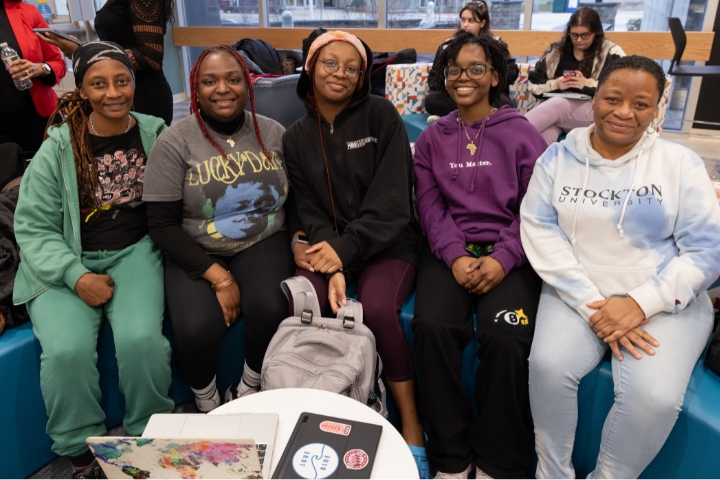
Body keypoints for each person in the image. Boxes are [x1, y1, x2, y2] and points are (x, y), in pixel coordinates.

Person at [520, 55, 720, 479]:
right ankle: (551, 473)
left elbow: (706, 250)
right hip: (578, 291)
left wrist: (641, 303)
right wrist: (594, 305)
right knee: (549, 367)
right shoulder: (556, 159)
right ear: (594, 98)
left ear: (657, 108)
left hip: (664, 298)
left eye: (641, 104)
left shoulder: (680, 164)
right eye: (612, 98)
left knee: (654, 397)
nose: (624, 112)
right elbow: (540, 229)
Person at [13, 41, 174, 479]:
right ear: (81, 90)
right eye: (98, 84)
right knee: (66, 351)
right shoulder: (57, 148)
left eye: (122, 81)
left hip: (135, 250)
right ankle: (79, 449)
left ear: (134, 85)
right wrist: (76, 274)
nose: (113, 92)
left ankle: (148, 431)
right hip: (66, 258)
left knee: (142, 341)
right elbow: (33, 228)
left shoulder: (153, 132)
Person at [282, 31, 429, 478]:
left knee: (380, 309)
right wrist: (335, 260)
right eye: (330, 63)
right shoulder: (295, 137)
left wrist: (342, 255)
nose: (340, 73)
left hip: (389, 241)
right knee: (304, 298)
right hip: (334, 248)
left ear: (363, 74)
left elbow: (391, 205)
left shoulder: (381, 116)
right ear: (311, 66)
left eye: (351, 66)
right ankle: (322, 412)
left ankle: (411, 425)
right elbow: (309, 208)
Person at [412, 32, 548, 480]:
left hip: (511, 252)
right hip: (448, 252)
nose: (464, 77)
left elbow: (537, 207)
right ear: (445, 78)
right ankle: (450, 457)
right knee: (432, 326)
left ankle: (497, 459)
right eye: (455, 70)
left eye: (476, 68)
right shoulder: (433, 138)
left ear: (494, 76)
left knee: (507, 338)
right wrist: (453, 256)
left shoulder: (523, 133)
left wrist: (504, 258)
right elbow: (430, 208)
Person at [143, 44, 294, 413]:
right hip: (196, 246)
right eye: (210, 81)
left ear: (248, 84)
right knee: (195, 329)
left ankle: (250, 385)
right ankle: (207, 399)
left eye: (233, 79)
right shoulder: (174, 141)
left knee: (272, 306)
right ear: (196, 87)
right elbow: (161, 225)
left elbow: (297, 197)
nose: (222, 89)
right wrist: (219, 279)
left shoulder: (273, 133)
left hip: (262, 238)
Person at [39, 0, 175, 125]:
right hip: (120, 89)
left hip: (141, 95)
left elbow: (150, 57)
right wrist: (84, 50)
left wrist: (82, 51)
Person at [525, 6, 625, 145]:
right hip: (557, 112)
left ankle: (507, 135)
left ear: (596, 33)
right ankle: (530, 165)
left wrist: (586, 84)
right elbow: (533, 83)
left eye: (585, 35)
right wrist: (557, 84)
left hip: (595, 112)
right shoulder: (556, 52)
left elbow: (620, 90)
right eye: (574, 35)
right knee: (546, 134)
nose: (579, 40)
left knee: (559, 104)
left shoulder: (613, 53)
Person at [425, 0, 518, 122]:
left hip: (487, 95)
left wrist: (486, 78)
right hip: (458, 93)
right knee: (431, 101)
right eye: (463, 20)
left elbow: (512, 72)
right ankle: (457, 117)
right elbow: (433, 78)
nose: (465, 25)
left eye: (471, 21)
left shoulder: (496, 45)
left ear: (482, 23)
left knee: (504, 103)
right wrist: (452, 82)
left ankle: (451, 118)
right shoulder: (447, 46)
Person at [1, 0, 65, 154]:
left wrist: (40, 68)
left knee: (52, 174)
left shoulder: (29, 12)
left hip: (37, 119)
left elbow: (57, 62)